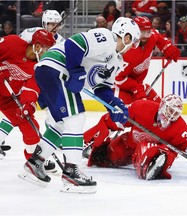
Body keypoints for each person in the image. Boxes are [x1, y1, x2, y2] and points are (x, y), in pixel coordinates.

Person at [21, 17, 141, 193]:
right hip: (56, 69)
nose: (132, 46)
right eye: (134, 41)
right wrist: (75, 70)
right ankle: (72, 172)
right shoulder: (108, 37)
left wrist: (115, 105)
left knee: (60, 123)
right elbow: (74, 44)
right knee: (75, 118)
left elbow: (102, 88)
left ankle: (36, 162)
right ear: (127, 37)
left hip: (54, 73)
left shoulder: (115, 61)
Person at [82, 94, 187, 180]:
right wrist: (96, 135)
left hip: (147, 150)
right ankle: (98, 151)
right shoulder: (141, 107)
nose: (170, 116)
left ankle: (154, 162)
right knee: (111, 156)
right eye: (168, 110)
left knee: (149, 148)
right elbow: (116, 120)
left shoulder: (179, 127)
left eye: (174, 114)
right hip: (127, 144)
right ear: (161, 106)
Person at [0, 9, 65, 156]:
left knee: (32, 122)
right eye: (50, 24)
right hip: (10, 83)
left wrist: (28, 104)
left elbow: (31, 88)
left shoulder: (59, 45)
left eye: (56, 24)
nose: (53, 27)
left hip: (26, 90)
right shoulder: (21, 38)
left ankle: (36, 160)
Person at [114, 16, 180, 105]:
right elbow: (118, 78)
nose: (145, 36)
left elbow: (159, 38)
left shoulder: (151, 37)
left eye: (147, 32)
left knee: (159, 109)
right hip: (121, 89)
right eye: (142, 32)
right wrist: (136, 87)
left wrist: (167, 47)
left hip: (140, 86)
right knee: (129, 115)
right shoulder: (127, 52)